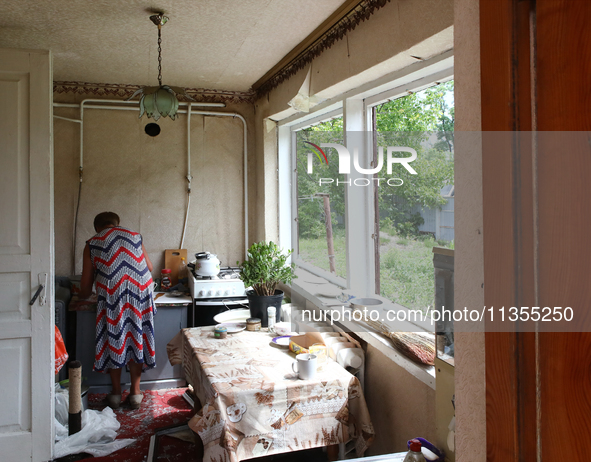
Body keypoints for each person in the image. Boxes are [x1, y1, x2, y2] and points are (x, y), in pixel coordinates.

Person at [80, 212, 155, 409]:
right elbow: (149, 266)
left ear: (97, 227)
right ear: (117, 223)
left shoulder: (92, 242)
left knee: (115, 338)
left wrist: (81, 295)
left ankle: (115, 394)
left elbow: (86, 286)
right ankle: (135, 394)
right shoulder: (135, 235)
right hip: (140, 291)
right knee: (136, 336)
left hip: (113, 292)